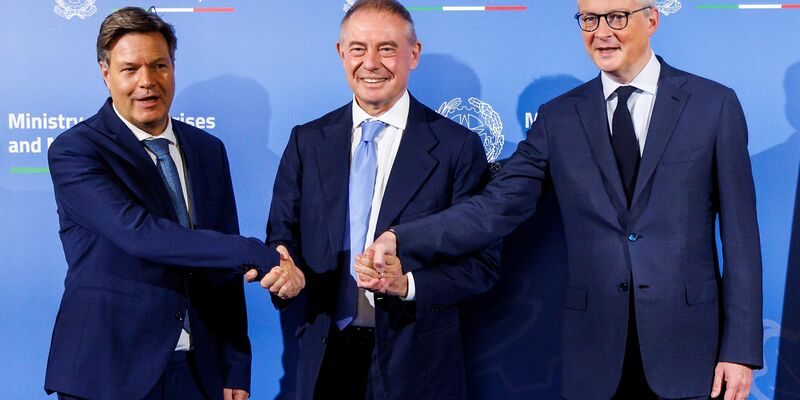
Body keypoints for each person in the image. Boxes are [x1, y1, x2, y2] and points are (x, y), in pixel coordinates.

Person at [366, 0, 763, 398]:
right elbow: (494, 207)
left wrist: (740, 351)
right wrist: (402, 237)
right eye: (589, 19)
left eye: (617, 17)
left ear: (652, 20)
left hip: (691, 352)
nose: (602, 32)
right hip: (594, 355)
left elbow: (742, 238)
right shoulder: (558, 118)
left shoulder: (713, 105)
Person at [44, 7, 303, 400]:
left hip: (197, 372)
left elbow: (220, 265)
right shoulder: (77, 150)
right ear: (105, 73)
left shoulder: (207, 149)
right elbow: (141, 235)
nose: (147, 82)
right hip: (108, 372)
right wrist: (255, 252)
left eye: (159, 66)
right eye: (130, 69)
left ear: (173, 68)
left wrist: (235, 364)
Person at [248, 0, 499, 398]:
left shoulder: (456, 147)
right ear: (341, 54)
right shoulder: (307, 141)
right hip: (326, 358)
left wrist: (409, 284)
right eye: (359, 48)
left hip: (418, 362)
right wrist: (286, 271)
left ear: (413, 54)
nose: (371, 62)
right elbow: (282, 237)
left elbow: (483, 264)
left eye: (387, 48)